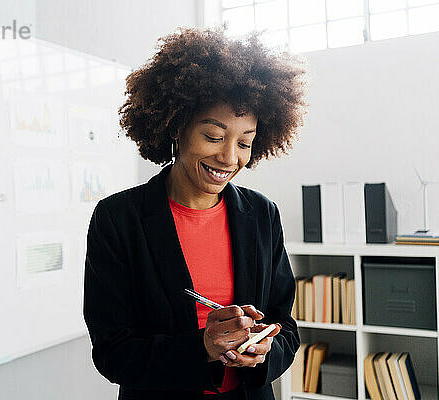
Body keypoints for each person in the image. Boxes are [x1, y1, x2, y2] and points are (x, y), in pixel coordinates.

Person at [84, 26, 307, 400]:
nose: (229, 157)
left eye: (245, 142)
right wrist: (202, 347)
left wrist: (264, 349)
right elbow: (113, 352)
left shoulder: (262, 214)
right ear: (176, 127)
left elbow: (285, 327)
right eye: (214, 136)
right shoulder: (119, 219)